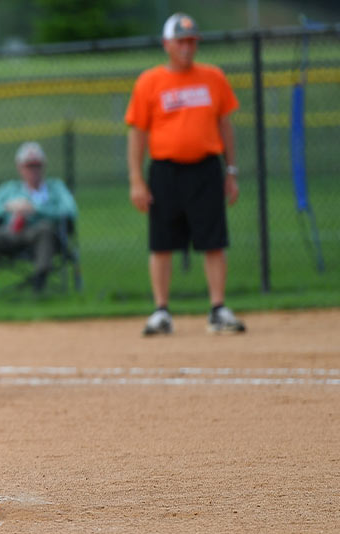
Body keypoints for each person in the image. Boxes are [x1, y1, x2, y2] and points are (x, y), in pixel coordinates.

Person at [125, 13, 246, 336]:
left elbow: (225, 125)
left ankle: (218, 309)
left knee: (213, 241)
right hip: (165, 170)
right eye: (181, 41)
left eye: (192, 41)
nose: (187, 47)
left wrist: (230, 170)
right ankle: (162, 311)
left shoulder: (213, 78)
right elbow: (137, 133)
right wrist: (137, 178)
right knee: (162, 243)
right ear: (167, 44)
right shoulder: (149, 82)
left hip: (206, 168)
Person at [0, 141, 77, 299]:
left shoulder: (55, 188)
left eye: (36, 165)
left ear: (43, 166)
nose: (33, 170)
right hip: (12, 233)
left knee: (44, 230)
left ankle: (39, 284)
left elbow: (69, 210)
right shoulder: (10, 189)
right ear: (20, 167)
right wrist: (8, 207)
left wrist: (35, 209)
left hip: (42, 235)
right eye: (28, 166)